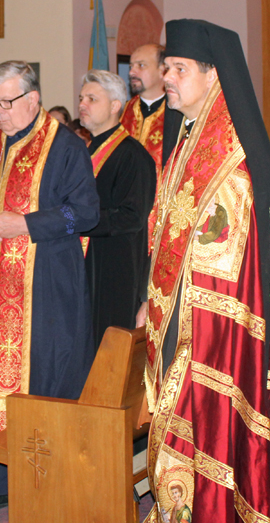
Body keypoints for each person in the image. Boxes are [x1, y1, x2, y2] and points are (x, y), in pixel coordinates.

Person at [137, 20, 270, 522]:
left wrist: (179, 318)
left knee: (199, 428)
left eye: (178, 69)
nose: (167, 76)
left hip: (209, 334)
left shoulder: (231, 158)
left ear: (212, 76)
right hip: (171, 316)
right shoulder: (186, 138)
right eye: (166, 67)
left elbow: (226, 267)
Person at [0, 61, 99, 509]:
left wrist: (23, 224)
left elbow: (86, 213)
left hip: (46, 292)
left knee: (42, 380)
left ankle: (44, 477)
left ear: (33, 100)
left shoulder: (64, 148)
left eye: (7, 102)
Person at [79, 69, 156, 349]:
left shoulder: (133, 156)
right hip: (84, 266)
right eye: (81, 98)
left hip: (114, 273)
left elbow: (131, 217)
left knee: (104, 352)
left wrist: (75, 220)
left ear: (114, 106)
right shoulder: (84, 152)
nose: (82, 105)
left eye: (91, 98)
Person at [120, 44, 166, 250]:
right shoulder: (123, 112)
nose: (131, 72)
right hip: (125, 219)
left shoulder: (176, 113)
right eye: (131, 66)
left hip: (162, 220)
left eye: (141, 65)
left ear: (162, 70)